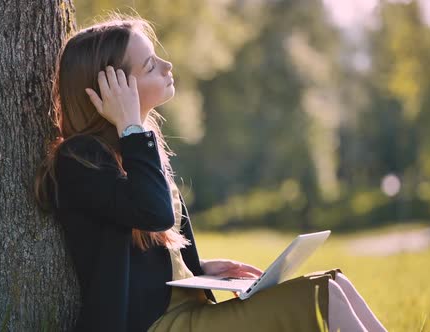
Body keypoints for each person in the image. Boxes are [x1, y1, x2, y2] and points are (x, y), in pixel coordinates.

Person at [34, 12, 387, 332]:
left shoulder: (139, 146)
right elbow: (152, 212)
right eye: (149, 66)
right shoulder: (81, 158)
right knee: (322, 294)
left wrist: (200, 269)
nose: (167, 64)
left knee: (334, 282)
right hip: (158, 326)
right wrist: (130, 127)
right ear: (113, 89)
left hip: (188, 311)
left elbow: (148, 244)